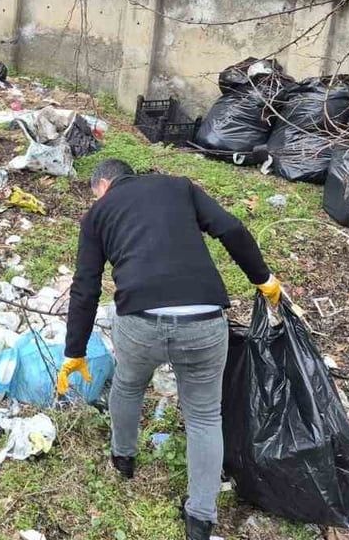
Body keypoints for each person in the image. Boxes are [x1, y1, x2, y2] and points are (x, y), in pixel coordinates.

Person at [56, 158, 281, 540]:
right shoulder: (178, 186)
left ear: (103, 186)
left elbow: (86, 286)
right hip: (205, 321)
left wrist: (74, 351)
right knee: (205, 417)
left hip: (139, 321)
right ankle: (200, 519)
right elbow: (230, 228)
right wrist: (263, 278)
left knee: (128, 385)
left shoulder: (98, 213)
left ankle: (123, 458)